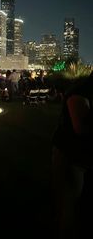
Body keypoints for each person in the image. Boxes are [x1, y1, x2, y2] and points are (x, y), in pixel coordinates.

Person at [52, 72, 93, 238]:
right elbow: (81, 129)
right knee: (69, 200)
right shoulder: (79, 93)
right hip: (70, 153)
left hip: (81, 154)